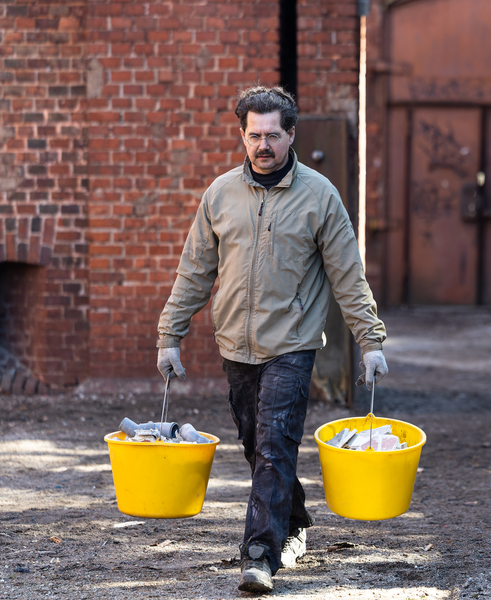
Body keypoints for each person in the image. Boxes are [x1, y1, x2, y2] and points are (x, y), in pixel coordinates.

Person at [155, 86, 388, 593]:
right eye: (254, 135)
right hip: (235, 344)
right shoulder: (219, 195)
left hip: (292, 343)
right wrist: (169, 335)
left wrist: (370, 341)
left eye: (273, 136)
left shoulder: (320, 195)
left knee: (275, 445)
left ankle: (259, 555)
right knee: (256, 446)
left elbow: (348, 274)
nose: (263, 145)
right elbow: (195, 271)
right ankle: (296, 522)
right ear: (242, 135)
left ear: (291, 135)